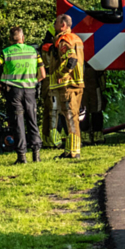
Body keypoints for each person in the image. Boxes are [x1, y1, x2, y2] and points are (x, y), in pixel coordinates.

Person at [0, 27, 46, 164]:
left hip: (13, 92)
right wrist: (33, 82)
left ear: (10, 39)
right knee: (32, 121)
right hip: (30, 91)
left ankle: (21, 157)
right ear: (23, 38)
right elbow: (42, 74)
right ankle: (36, 155)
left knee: (18, 123)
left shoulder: (6, 52)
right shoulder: (33, 51)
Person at [51, 14, 85, 159]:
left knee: (70, 117)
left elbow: (71, 60)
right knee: (73, 117)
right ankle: (71, 149)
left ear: (63, 25)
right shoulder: (76, 38)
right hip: (78, 83)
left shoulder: (64, 40)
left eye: (56, 23)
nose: (54, 26)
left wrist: (60, 73)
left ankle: (74, 151)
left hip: (68, 84)